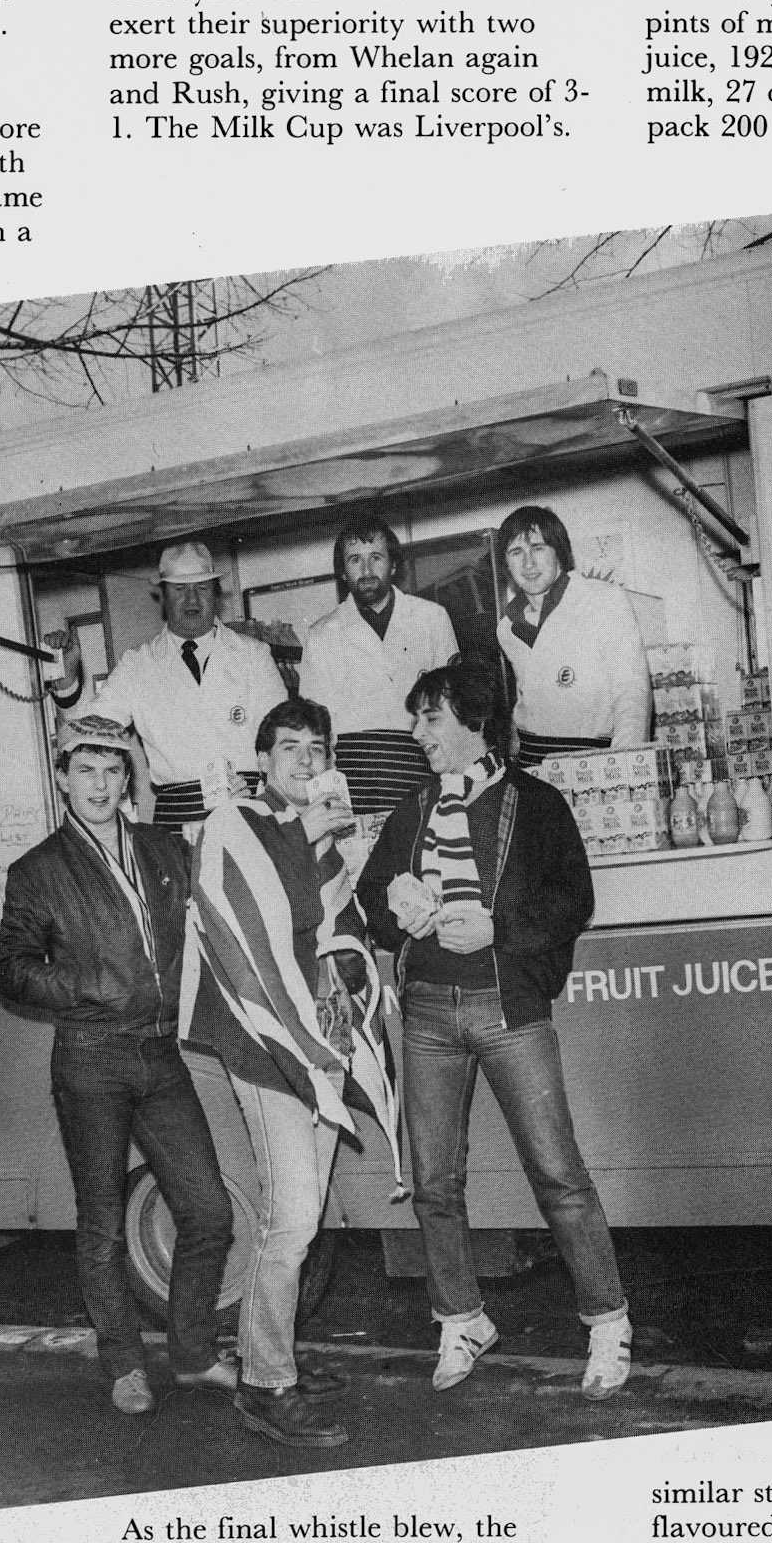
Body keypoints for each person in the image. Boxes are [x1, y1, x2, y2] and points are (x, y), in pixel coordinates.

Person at [356, 659, 634, 1401]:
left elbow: (573, 899)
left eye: (431, 718)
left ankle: (608, 1324)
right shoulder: (411, 811)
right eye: (416, 719)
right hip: (426, 1013)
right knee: (435, 1184)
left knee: (558, 1176)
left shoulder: (535, 804)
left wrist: (495, 928)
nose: (418, 734)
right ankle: (460, 1319)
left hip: (509, 1011)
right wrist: (398, 904)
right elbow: (368, 901)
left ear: (475, 721)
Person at [0, 712, 236, 1416]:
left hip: (160, 1051)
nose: (99, 785)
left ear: (127, 779)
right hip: (91, 1056)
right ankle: (124, 1363)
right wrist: (85, 987)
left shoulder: (163, 848)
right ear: (63, 779)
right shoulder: (35, 871)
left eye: (112, 771)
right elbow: (11, 971)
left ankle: (191, 1355)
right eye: (85, 772)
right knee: (100, 1221)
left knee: (208, 1209)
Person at [184, 695, 403, 1450]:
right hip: (270, 1050)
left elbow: (338, 931)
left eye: (317, 748)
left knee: (298, 1221)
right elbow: (265, 922)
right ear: (262, 761)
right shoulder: (235, 824)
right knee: (293, 1220)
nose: (304, 762)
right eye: (289, 748)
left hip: (317, 1044)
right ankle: (264, 1385)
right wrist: (311, 836)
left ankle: (264, 1356)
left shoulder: (321, 834)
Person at [51, 538, 288, 833]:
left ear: (216, 594)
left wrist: (264, 802)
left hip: (250, 809)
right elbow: (88, 732)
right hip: (176, 822)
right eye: (179, 589)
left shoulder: (254, 656)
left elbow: (283, 743)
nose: (191, 600)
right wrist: (67, 683)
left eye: (201, 588)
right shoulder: (138, 664)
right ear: (162, 595)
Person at [300, 507, 459, 815]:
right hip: (356, 782)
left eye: (376, 557)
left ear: (394, 565)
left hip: (422, 767)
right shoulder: (320, 635)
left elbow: (452, 709)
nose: (366, 569)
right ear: (343, 573)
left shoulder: (432, 618)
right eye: (355, 560)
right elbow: (314, 729)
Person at [493, 504, 652, 769]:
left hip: (590, 759)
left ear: (559, 552)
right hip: (530, 762)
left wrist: (625, 765)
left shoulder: (603, 600)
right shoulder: (507, 626)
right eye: (516, 552)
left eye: (538, 548)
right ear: (506, 564)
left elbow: (632, 692)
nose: (528, 563)